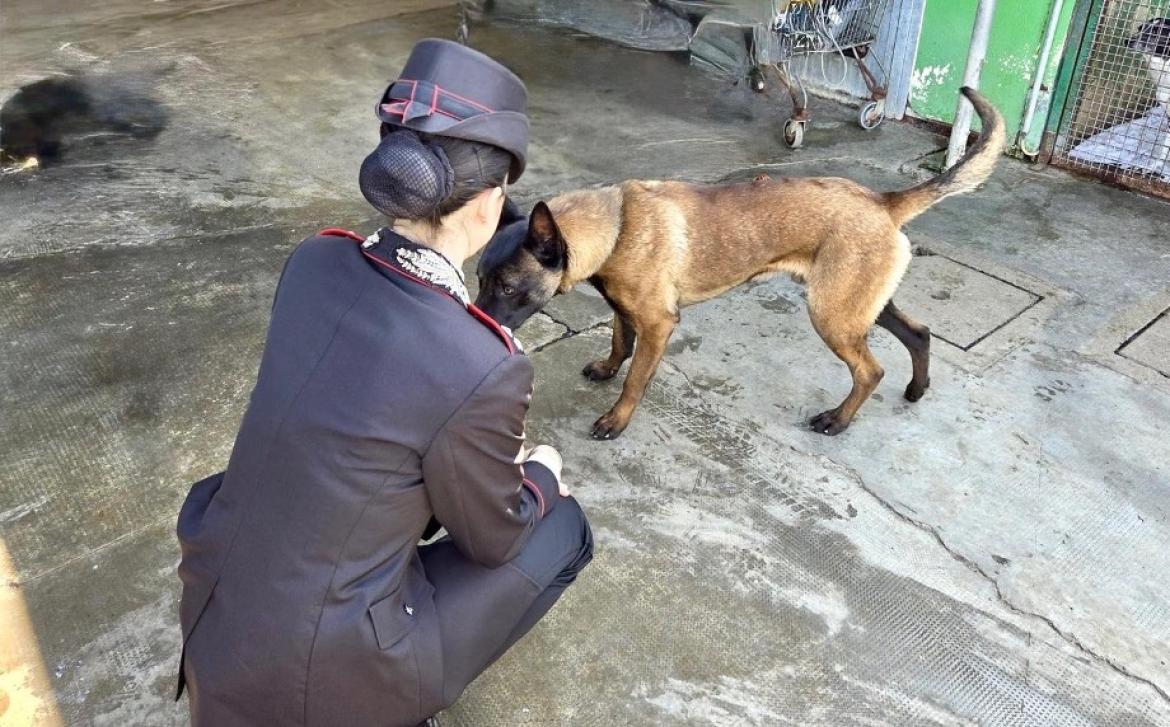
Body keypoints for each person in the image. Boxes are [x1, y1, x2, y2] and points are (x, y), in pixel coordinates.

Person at [175, 38, 593, 727]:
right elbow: (494, 536)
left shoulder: (315, 258)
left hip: (220, 604)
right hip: (319, 670)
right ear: (490, 208)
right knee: (562, 528)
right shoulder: (480, 359)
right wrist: (541, 476)